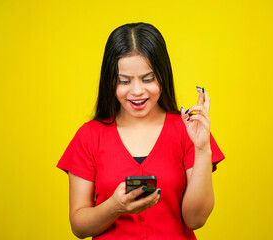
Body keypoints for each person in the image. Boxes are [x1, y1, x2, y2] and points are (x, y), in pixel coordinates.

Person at [57, 22, 225, 239]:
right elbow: (79, 227)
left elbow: (196, 219)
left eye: (148, 79)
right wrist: (114, 207)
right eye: (124, 81)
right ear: (110, 82)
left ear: (163, 76)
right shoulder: (89, 135)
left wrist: (203, 149)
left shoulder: (188, 129)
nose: (137, 91)